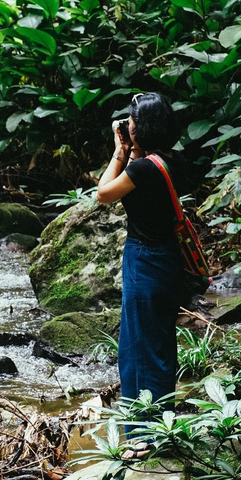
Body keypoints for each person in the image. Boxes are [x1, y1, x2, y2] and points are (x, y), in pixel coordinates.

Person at [96, 92, 189, 449]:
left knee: (136, 347)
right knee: (160, 343)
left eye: (132, 121)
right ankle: (163, 425)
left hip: (144, 259)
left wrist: (119, 150)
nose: (127, 124)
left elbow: (104, 193)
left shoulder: (140, 168)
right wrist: (134, 146)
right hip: (169, 260)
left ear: (142, 128)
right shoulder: (174, 162)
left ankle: (141, 436)